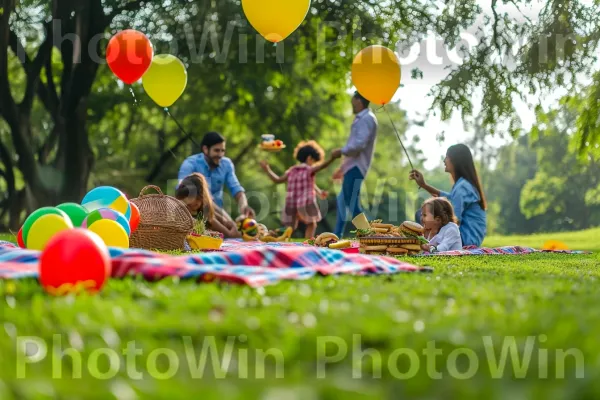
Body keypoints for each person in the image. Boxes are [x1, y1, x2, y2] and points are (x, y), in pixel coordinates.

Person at [409, 143, 487, 247]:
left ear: (455, 161)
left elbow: (453, 217)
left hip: (466, 240)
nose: (444, 160)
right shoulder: (463, 185)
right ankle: (427, 243)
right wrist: (424, 185)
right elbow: (447, 199)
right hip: (468, 238)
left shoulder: (462, 187)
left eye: (447, 157)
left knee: (424, 214)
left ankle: (426, 244)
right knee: (427, 213)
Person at [259, 140, 341, 239]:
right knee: (312, 224)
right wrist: (332, 158)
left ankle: (274, 235)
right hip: (305, 202)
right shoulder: (309, 169)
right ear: (310, 158)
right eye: (314, 162)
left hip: (291, 203)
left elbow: (277, 180)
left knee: (289, 228)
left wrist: (267, 170)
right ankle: (308, 243)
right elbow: (322, 166)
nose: (314, 164)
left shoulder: (292, 170)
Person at [178, 132, 256, 232]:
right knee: (230, 231)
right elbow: (182, 194)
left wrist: (244, 207)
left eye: (222, 151)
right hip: (195, 215)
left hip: (217, 215)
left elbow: (236, 189)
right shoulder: (190, 164)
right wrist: (227, 222)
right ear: (205, 149)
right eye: (216, 150)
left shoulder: (226, 164)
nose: (220, 155)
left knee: (234, 232)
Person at [330, 91, 378, 237]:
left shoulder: (367, 119)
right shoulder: (361, 119)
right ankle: (335, 236)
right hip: (351, 167)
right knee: (342, 202)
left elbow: (359, 144)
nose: (351, 103)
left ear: (358, 100)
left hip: (356, 168)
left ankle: (370, 236)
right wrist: (342, 167)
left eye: (353, 99)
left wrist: (341, 151)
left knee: (352, 204)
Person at [175, 173, 240, 238]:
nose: (188, 209)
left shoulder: (204, 211)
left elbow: (228, 231)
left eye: (190, 205)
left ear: (200, 198)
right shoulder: (180, 212)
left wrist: (230, 225)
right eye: (186, 205)